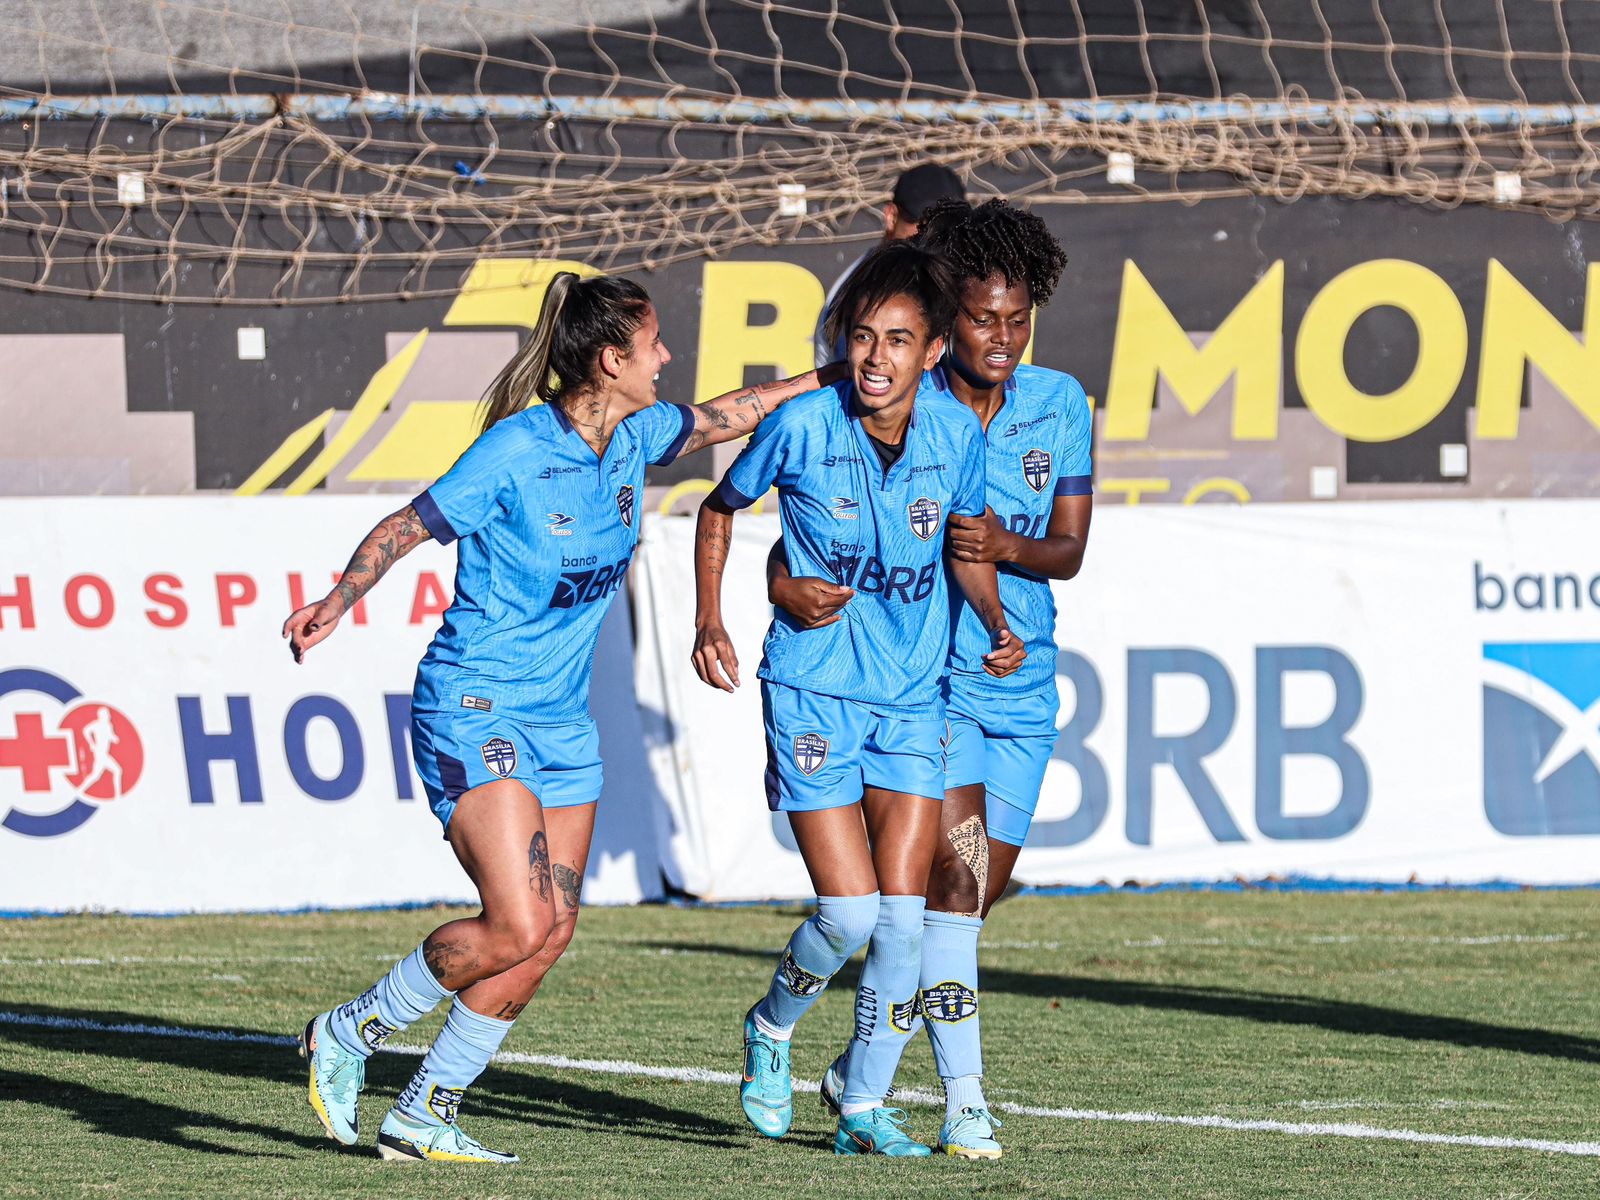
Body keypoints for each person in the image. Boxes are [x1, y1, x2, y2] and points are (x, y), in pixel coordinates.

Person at [282, 271, 843, 1164]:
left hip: (561, 725)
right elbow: (405, 526)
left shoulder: (635, 435)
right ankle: (349, 1031)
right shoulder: (514, 451)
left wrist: (847, 371)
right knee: (515, 923)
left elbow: (735, 412)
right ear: (612, 359)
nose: (667, 357)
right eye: (654, 344)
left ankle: (428, 1107)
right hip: (476, 705)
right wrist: (341, 598)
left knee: (553, 930)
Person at [692, 240, 1025, 1157]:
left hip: (914, 699)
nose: (878, 359)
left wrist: (996, 624)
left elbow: (964, 543)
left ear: (930, 353)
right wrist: (719, 615)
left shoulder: (957, 435)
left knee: (905, 920)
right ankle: (771, 1025)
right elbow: (720, 508)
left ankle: (863, 1106)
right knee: (847, 914)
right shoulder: (801, 425)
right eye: (864, 338)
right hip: (812, 691)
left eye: (900, 341)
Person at [778, 198, 1090, 1160]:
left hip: (1022, 692)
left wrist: (1007, 547)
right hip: (933, 690)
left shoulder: (1061, 404)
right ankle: (965, 1105)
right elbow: (822, 514)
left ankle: (855, 1078)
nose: (1001, 337)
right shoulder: (910, 400)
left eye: (1017, 318)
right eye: (983, 318)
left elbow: (1070, 552)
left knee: (971, 897)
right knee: (948, 894)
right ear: (947, 319)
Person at [813, 163, 965, 367]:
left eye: (946, 225)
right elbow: (840, 377)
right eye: (924, 222)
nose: (934, 234)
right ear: (892, 217)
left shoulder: (963, 284)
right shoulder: (855, 288)